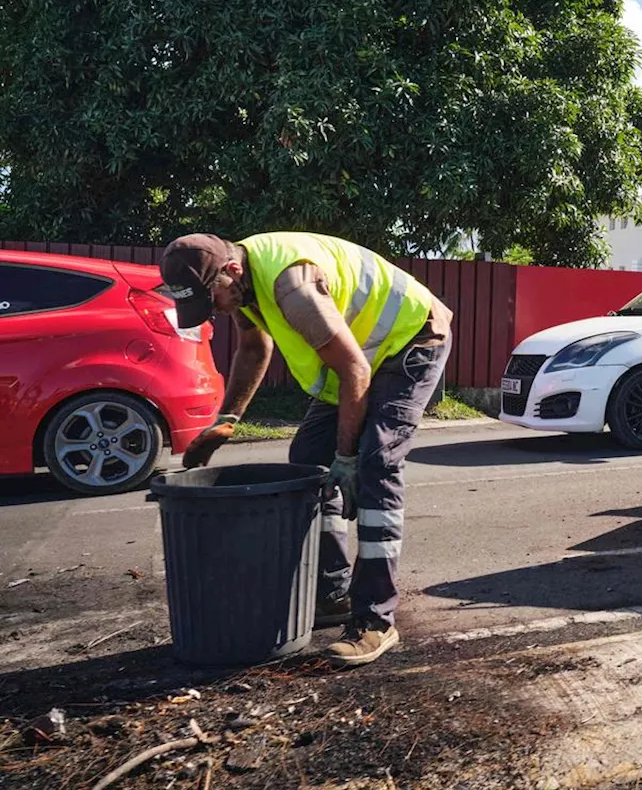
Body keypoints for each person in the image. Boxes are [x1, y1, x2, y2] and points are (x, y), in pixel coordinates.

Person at [159, 232, 452, 667]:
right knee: (307, 460)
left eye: (213, 299)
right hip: (356, 359)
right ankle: (332, 593)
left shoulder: (291, 287)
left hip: (410, 339)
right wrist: (227, 421)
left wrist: (348, 460)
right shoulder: (241, 283)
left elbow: (354, 369)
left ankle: (375, 619)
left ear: (232, 271)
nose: (217, 311)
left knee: (376, 461)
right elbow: (256, 345)